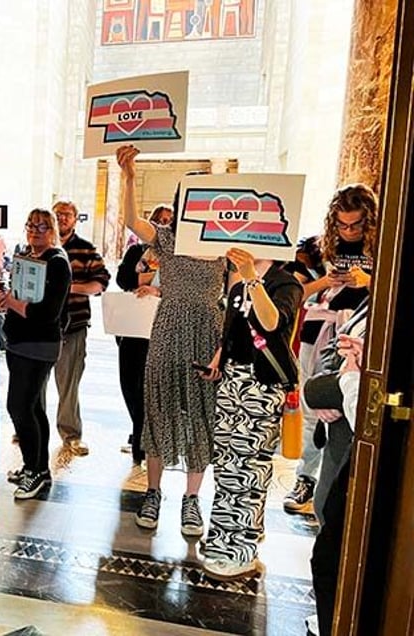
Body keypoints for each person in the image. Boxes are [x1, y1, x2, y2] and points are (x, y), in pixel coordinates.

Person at [116, 144, 226, 537]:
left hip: (208, 329)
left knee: (200, 413)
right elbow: (131, 220)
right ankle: (153, 492)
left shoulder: (225, 246)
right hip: (167, 329)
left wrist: (221, 348)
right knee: (158, 408)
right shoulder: (167, 237)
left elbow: (235, 297)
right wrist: (129, 176)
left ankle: (192, 500)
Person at [199, 249, 302, 580]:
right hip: (233, 379)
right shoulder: (237, 286)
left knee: (250, 465)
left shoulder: (285, 284)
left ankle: (240, 547)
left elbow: (271, 322)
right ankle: (223, 537)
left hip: (263, 384)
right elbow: (232, 328)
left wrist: (251, 277)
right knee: (228, 462)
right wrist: (218, 358)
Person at [283, 184, 377, 515]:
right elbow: (291, 293)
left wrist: (368, 280)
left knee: (352, 408)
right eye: (342, 224)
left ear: (369, 220)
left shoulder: (383, 247)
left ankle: (341, 483)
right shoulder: (314, 248)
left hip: (364, 337)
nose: (349, 231)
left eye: (356, 225)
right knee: (313, 405)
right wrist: (325, 282)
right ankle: (305, 478)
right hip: (318, 332)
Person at [0, 208, 71, 499]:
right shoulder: (27, 255)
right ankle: (37, 467)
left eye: (42, 226)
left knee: (19, 406)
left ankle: (34, 470)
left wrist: (11, 302)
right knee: (33, 408)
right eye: (31, 225)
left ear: (52, 229)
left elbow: (47, 313)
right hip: (19, 343)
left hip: (39, 346)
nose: (35, 230)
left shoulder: (57, 263)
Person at [305, 303, 368, 636]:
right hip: (341, 438)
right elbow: (330, 354)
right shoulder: (372, 300)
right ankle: (331, 614)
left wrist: (346, 383)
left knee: (337, 550)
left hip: (359, 441)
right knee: (325, 512)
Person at [50, 198, 111, 456]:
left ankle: (71, 434)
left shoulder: (85, 250)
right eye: (58, 214)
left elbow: (101, 282)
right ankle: (29, 429)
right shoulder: (37, 247)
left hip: (73, 325)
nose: (62, 218)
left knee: (69, 383)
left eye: (67, 214)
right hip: (40, 326)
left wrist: (67, 287)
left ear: (75, 219)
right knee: (34, 384)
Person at [116, 204, 173, 462]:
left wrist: (157, 290)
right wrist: (144, 275)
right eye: (158, 220)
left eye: (167, 221)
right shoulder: (136, 251)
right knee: (129, 384)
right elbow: (122, 279)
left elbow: (180, 288)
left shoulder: (177, 255)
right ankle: (138, 429)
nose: (162, 224)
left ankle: (143, 441)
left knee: (148, 389)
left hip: (161, 330)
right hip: (133, 328)